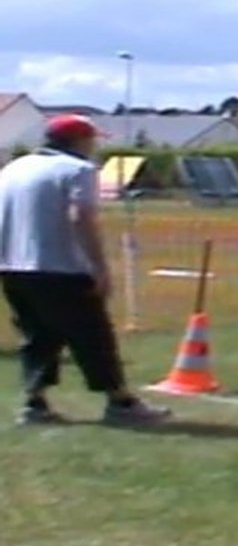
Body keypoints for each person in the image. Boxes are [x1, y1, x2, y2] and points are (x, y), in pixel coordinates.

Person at [0, 114, 172, 426]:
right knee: (92, 335)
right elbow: (81, 216)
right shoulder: (78, 169)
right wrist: (99, 266)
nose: (93, 147)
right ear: (79, 140)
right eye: (92, 140)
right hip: (61, 267)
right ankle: (120, 402)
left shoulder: (14, 168)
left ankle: (34, 402)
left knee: (37, 336)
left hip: (13, 266)